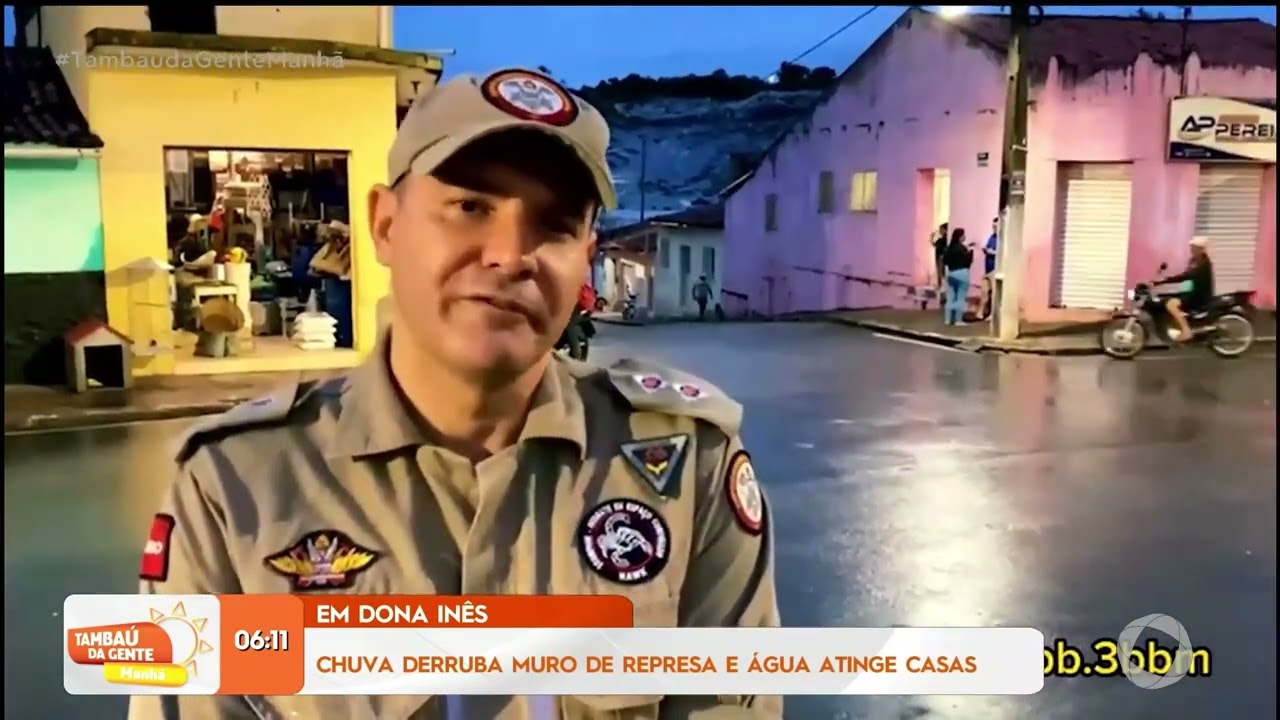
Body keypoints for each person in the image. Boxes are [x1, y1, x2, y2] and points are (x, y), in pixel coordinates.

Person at [129, 68, 781, 720]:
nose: (510, 255)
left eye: (553, 226)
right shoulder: (232, 488)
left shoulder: (687, 467)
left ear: (585, 255)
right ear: (385, 225)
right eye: (471, 207)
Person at [1161, 235, 1215, 342]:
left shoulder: (1204, 263)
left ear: (1200, 249)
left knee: (1171, 305)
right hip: (1192, 291)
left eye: (1193, 247)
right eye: (1191, 246)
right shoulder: (1194, 260)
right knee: (1167, 298)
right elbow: (1186, 275)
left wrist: (1164, 281)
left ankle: (1186, 331)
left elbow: (1187, 276)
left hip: (1200, 295)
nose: (1191, 248)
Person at [942, 227, 974, 326]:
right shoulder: (963, 249)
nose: (964, 237)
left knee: (951, 297)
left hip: (951, 273)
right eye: (963, 235)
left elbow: (945, 261)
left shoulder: (949, 248)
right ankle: (958, 320)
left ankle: (947, 319)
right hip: (962, 273)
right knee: (960, 297)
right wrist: (971, 251)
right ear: (960, 237)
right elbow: (968, 261)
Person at [980, 217, 999, 319]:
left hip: (995, 269)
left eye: (996, 226)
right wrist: (986, 250)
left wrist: (993, 252)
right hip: (987, 268)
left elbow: (1003, 253)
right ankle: (981, 312)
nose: (994, 228)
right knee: (985, 291)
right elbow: (986, 248)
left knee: (995, 293)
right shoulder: (991, 237)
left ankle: (993, 314)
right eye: (993, 226)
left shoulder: (1002, 238)